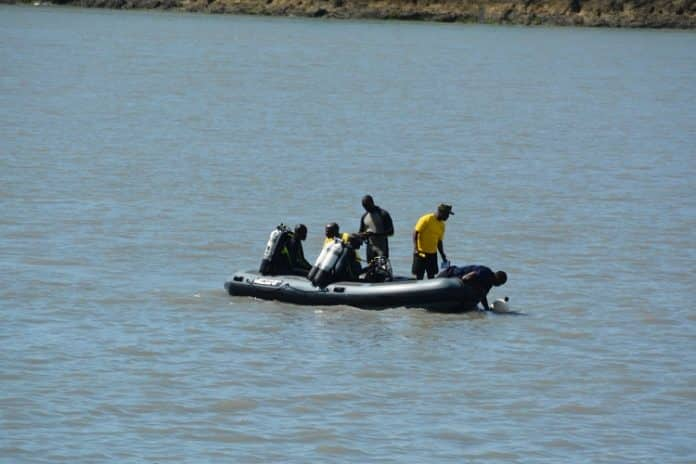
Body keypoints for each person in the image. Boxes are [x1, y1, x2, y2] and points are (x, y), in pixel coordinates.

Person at [438, 264, 507, 311]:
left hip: (454, 284)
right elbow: (471, 275)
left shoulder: (489, 284)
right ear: (498, 279)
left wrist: (487, 309)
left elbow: (483, 296)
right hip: (451, 273)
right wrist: (463, 281)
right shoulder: (486, 272)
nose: (499, 285)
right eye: (500, 283)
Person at [412, 203, 453, 280]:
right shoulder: (426, 219)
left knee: (432, 275)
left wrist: (442, 255)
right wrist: (416, 248)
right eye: (447, 214)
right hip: (421, 253)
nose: (448, 217)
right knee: (419, 275)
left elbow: (439, 241)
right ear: (440, 212)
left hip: (432, 254)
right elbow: (416, 232)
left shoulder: (442, 225)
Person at [358, 195, 394, 262]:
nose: (366, 208)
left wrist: (375, 234)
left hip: (382, 248)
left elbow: (391, 232)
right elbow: (360, 232)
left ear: (372, 202)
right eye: (364, 206)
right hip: (370, 249)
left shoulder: (383, 214)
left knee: (382, 269)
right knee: (370, 269)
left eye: (367, 205)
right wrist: (363, 235)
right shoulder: (364, 216)